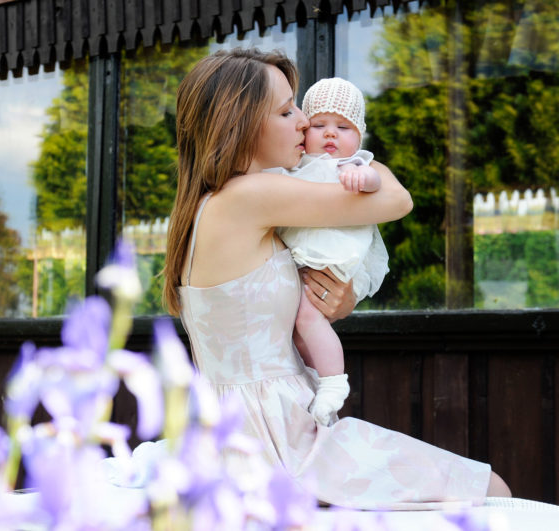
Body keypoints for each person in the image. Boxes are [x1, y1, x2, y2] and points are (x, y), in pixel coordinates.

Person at [162, 47, 510, 508]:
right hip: (273, 439)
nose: (305, 122)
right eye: (287, 111)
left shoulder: (215, 202)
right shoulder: (253, 194)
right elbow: (397, 201)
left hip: (240, 425)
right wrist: (361, 159)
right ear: (240, 124)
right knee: (491, 489)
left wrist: (332, 300)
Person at [266, 77, 390, 426]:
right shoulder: (297, 166)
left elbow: (376, 182)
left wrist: (363, 180)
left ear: (359, 136)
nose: (331, 133)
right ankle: (316, 377)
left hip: (332, 257)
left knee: (308, 319)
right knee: (299, 330)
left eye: (343, 127)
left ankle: (334, 382)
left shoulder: (350, 166)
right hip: (303, 258)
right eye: (319, 125)